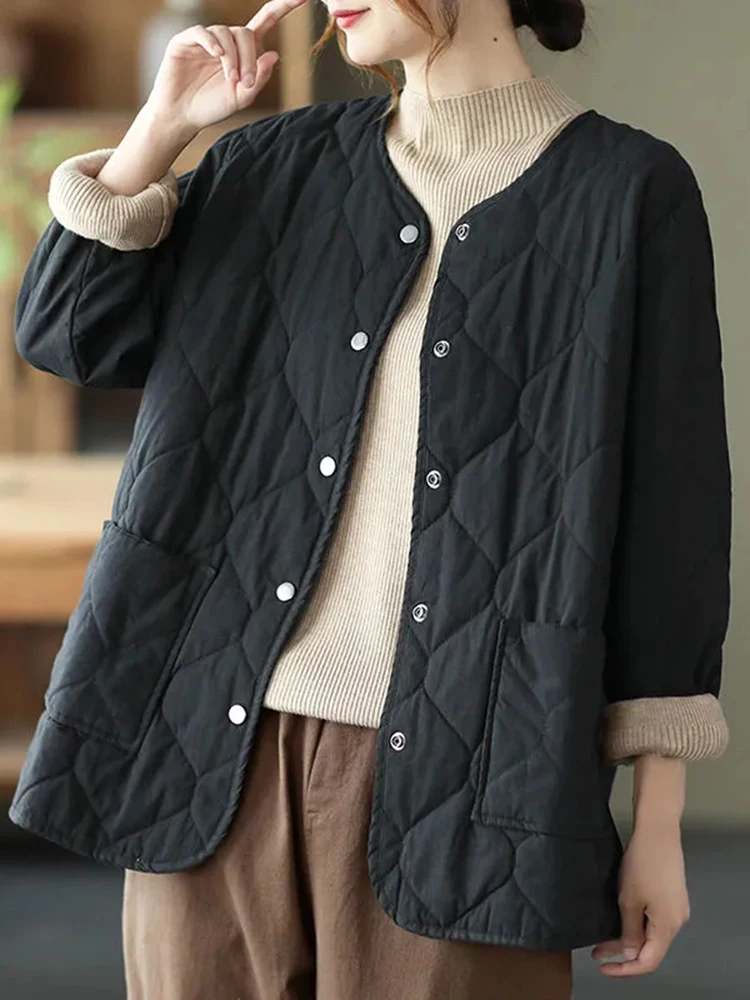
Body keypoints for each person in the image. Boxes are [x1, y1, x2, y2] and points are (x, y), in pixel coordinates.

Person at [8, 0, 732, 997]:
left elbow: (671, 523)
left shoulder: (627, 193)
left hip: (478, 773)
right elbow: (67, 334)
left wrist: (656, 821)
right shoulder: (269, 166)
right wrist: (160, 128)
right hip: (213, 754)